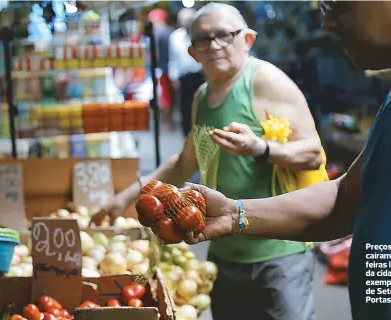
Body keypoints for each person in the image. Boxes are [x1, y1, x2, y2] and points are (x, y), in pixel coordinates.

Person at [180, 2, 391, 320]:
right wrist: (235, 214)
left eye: (336, 6)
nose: (327, 25)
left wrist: (262, 150)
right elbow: (344, 199)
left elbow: (313, 156)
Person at [93, 3, 326, 319]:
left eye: (225, 35)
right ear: (192, 52)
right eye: (204, 39)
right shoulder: (202, 98)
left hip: (278, 251)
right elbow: (185, 163)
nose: (215, 45)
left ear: (248, 40)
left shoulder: (266, 81)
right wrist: (126, 198)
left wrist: (262, 149)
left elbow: (312, 154)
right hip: (224, 247)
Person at [168, 8, 205, 136]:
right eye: (184, 21)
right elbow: (173, 58)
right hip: (184, 77)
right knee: (186, 107)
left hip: (201, 75)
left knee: (202, 106)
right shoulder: (175, 37)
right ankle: (187, 134)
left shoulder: (201, 34)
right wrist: (173, 77)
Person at [148, 8, 175, 130]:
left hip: (162, 70)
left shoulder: (158, 34)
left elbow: (156, 54)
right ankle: (168, 122)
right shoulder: (171, 32)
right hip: (171, 69)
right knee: (169, 97)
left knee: (164, 98)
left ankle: (167, 124)